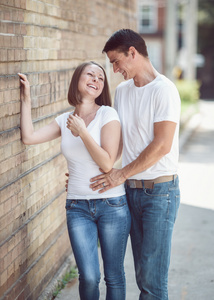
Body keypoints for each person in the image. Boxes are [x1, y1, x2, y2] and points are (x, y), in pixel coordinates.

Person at [18, 61, 131, 300]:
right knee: (89, 277)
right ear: (77, 80)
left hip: (112, 205)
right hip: (77, 207)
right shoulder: (63, 121)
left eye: (101, 78)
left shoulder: (108, 114)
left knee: (113, 276)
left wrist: (83, 132)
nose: (96, 80)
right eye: (90, 74)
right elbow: (28, 137)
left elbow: (107, 164)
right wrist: (25, 98)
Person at [90, 29, 181, 300]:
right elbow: (119, 145)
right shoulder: (123, 92)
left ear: (133, 52)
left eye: (116, 61)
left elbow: (161, 145)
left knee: (152, 281)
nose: (115, 69)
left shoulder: (164, 90)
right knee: (142, 274)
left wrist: (121, 174)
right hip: (130, 191)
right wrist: (96, 173)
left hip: (160, 194)